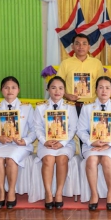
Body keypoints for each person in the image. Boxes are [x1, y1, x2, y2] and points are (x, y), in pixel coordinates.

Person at [77, 76, 111, 211]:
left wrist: (108, 145)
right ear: (95, 90)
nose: (104, 91)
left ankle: (110, 193)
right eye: (100, 87)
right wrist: (91, 142)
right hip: (91, 145)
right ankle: (94, 194)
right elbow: (81, 130)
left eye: (107, 88)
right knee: (92, 160)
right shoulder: (87, 108)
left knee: (106, 159)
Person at [0, 76, 36, 209]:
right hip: (1, 144)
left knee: (11, 159)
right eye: (6, 87)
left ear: (18, 90)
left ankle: (12, 191)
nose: (10, 90)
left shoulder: (27, 107)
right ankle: (1, 191)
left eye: (13, 87)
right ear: (1, 90)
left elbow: (34, 130)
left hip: (20, 145)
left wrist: (25, 141)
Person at [34, 76, 78, 210]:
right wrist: (45, 141)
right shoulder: (41, 107)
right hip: (46, 142)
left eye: (60, 88)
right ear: (48, 90)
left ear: (64, 91)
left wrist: (62, 143)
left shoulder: (70, 107)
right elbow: (37, 128)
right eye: (53, 88)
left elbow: (73, 128)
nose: (57, 91)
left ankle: (58, 193)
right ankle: (48, 193)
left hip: (66, 143)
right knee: (48, 159)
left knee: (61, 159)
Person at [56, 33, 105, 116]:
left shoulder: (97, 63)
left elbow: (101, 84)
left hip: (92, 105)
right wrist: (66, 95)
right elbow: (57, 83)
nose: (81, 47)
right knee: (71, 128)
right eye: (77, 43)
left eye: (84, 44)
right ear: (72, 47)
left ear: (89, 47)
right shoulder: (65, 63)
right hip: (71, 105)